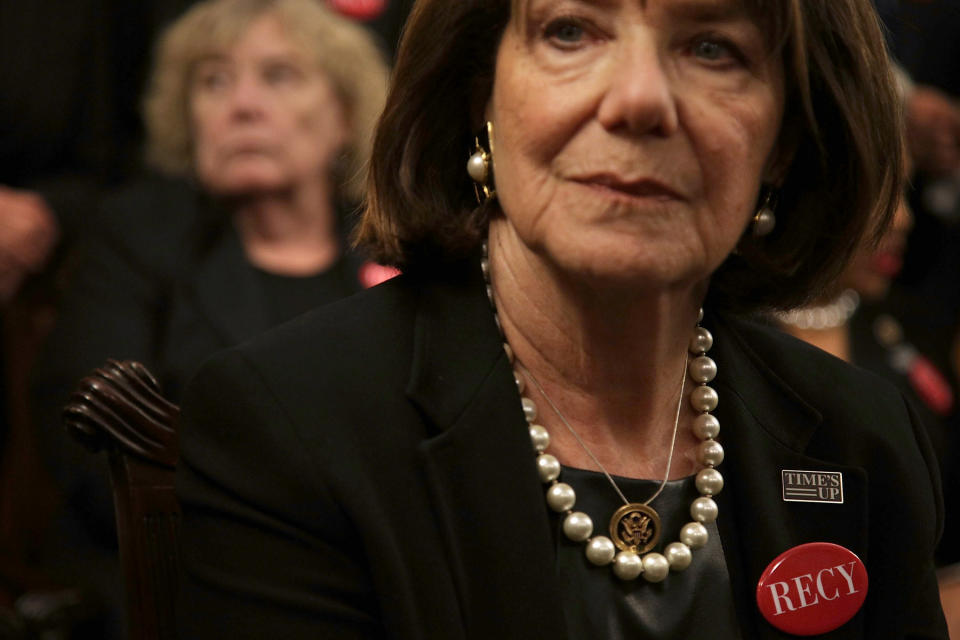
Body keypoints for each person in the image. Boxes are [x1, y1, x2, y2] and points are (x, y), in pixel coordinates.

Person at [175, 0, 948, 636]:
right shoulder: (290, 424)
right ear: (480, 94)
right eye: (570, 31)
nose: (639, 100)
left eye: (713, 48)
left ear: (783, 142)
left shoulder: (864, 436)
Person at [30, 0, 388, 636]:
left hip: (374, 581)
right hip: (168, 579)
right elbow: (87, 438)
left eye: (279, 76)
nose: (241, 105)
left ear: (343, 116)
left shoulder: (396, 250)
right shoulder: (136, 236)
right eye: (213, 81)